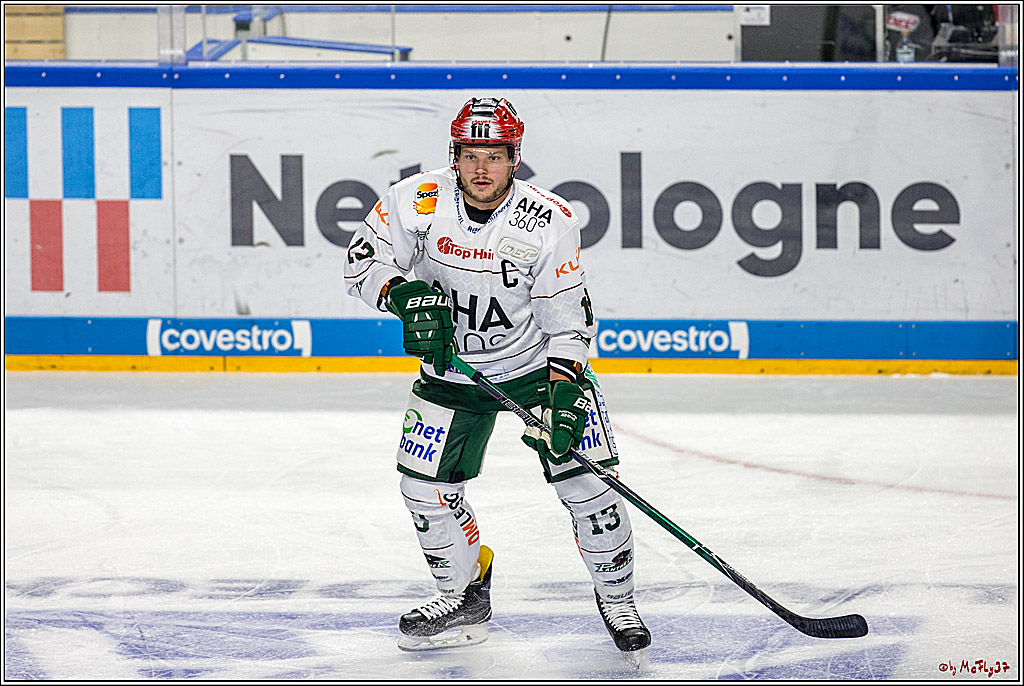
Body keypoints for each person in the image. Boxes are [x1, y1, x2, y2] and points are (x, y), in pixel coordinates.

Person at [343, 97, 650, 656]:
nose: (481, 168)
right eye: (470, 154)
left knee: (589, 483)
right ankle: (464, 596)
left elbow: (566, 314)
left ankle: (618, 597)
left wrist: (565, 390)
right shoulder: (415, 200)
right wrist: (400, 294)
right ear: (453, 156)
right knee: (424, 489)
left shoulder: (549, 218)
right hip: (451, 371)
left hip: (536, 369)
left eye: (495, 154)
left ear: (515, 158)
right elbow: (361, 264)